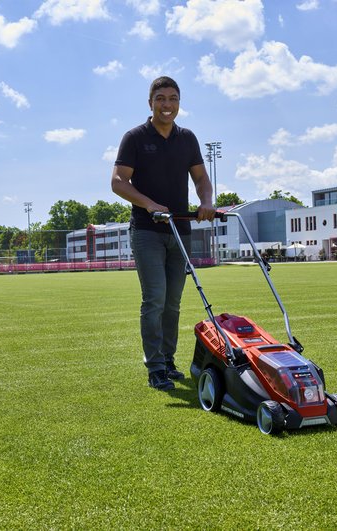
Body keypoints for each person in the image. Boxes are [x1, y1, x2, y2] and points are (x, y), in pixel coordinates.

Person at [111, 76, 215, 391]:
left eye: (172, 98)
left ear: (178, 102)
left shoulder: (188, 139)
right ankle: (155, 367)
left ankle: (168, 361)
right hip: (147, 231)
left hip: (180, 230)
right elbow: (118, 182)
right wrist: (150, 204)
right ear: (150, 103)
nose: (167, 105)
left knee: (173, 303)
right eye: (160, 98)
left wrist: (206, 201)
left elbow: (200, 178)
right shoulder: (135, 138)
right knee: (154, 298)